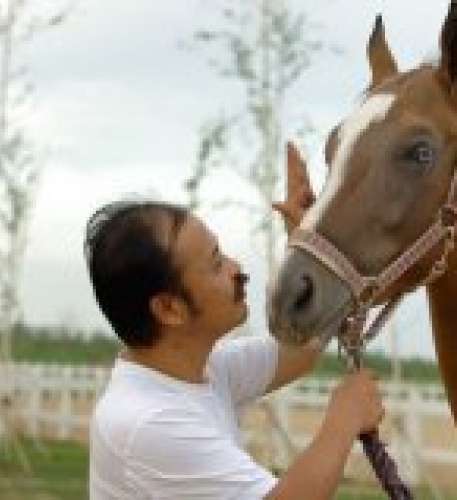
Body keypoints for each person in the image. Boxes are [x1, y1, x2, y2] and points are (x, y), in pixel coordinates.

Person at [86, 143, 385, 499]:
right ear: (168, 309)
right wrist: (344, 420)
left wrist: (310, 249)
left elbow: (304, 347)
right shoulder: (148, 422)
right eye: (216, 264)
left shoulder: (206, 369)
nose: (236, 269)